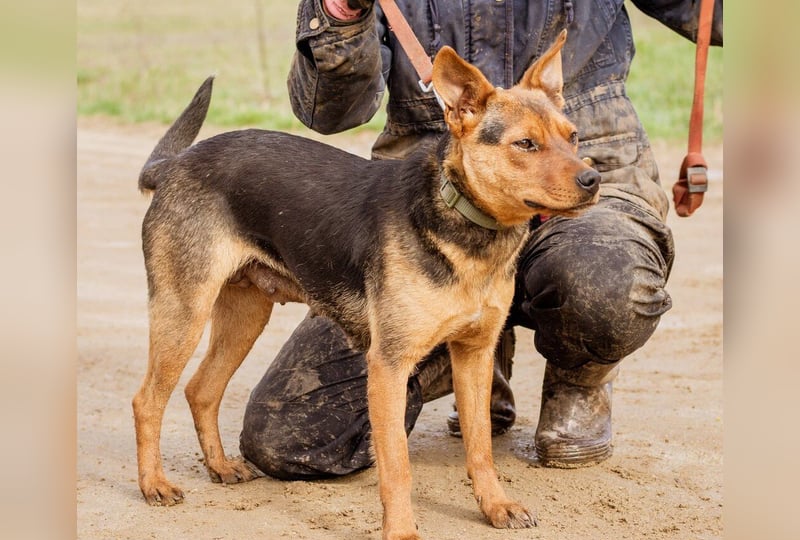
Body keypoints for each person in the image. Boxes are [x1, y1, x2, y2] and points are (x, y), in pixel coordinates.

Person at [239, 0, 723, 479]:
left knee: (604, 280)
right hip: (425, 208)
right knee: (286, 437)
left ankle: (579, 379)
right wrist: (341, 14)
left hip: (591, 184)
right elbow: (329, 112)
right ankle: (466, 350)